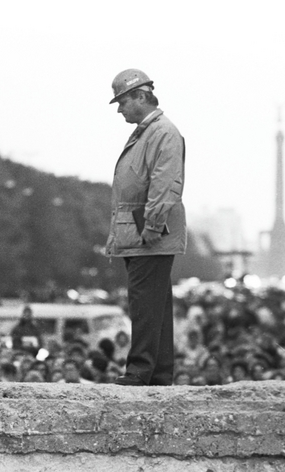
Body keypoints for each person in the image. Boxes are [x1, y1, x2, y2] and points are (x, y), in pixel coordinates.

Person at [104, 69, 186, 386]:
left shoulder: (160, 133)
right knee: (157, 307)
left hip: (146, 234)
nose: (119, 109)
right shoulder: (150, 131)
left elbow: (165, 184)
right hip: (141, 231)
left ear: (141, 96)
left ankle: (140, 370)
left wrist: (151, 227)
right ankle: (159, 372)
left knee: (145, 306)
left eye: (122, 101)